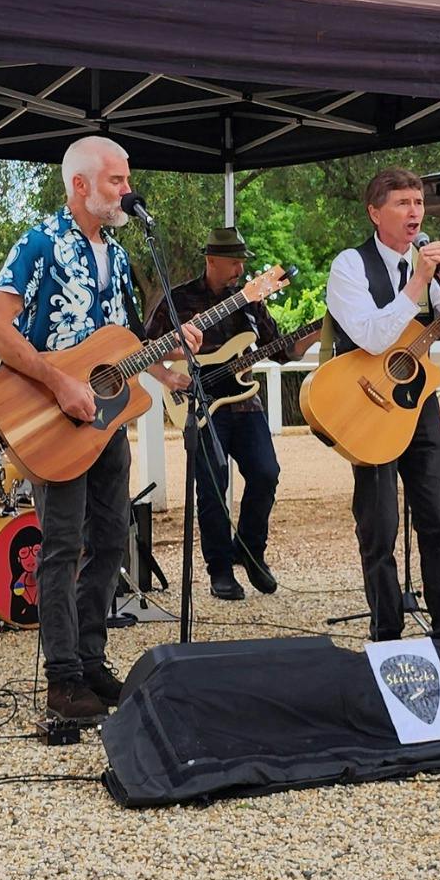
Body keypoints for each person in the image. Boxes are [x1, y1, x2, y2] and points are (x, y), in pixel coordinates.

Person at [0, 135, 201, 722]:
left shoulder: (122, 256)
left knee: (109, 541)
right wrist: (58, 382)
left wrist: (167, 364)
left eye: (126, 181)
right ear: (79, 185)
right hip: (52, 418)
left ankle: (91, 661)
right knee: (60, 547)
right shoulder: (39, 243)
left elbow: (122, 345)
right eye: (116, 181)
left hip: (106, 424)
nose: (128, 191)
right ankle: (62, 679)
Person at [325, 167, 440, 641]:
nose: (414, 212)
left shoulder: (430, 266)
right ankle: (387, 633)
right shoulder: (349, 266)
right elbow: (372, 337)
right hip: (368, 410)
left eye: (418, 203)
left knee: (438, 520)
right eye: (401, 203)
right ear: (375, 213)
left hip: (420, 407)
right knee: (379, 526)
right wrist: (416, 284)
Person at [145, 227, 318, 601]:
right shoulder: (178, 300)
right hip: (198, 401)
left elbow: (281, 351)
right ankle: (220, 570)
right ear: (211, 260)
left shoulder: (252, 302)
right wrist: (175, 364)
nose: (240, 268)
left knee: (266, 473)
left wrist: (317, 332)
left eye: (243, 262)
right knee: (212, 486)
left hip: (245, 403)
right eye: (234, 261)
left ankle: (252, 551)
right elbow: (146, 348)